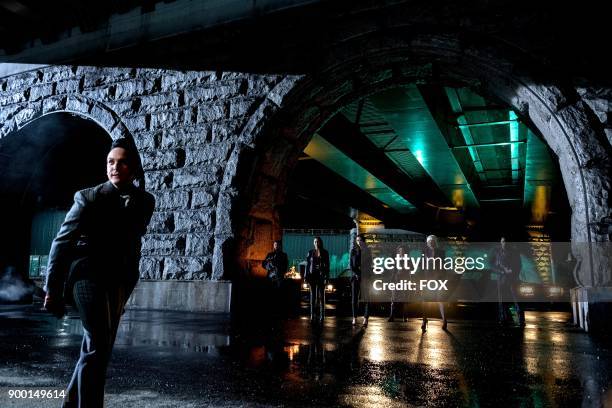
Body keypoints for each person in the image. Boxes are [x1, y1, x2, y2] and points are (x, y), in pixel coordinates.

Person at [43, 138, 155, 408]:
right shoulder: (88, 197)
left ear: (134, 167)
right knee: (98, 344)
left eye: (122, 161)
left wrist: (127, 285)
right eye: (110, 162)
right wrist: (52, 289)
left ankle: (71, 403)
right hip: (86, 276)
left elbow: (133, 244)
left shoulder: (145, 201)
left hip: (117, 281)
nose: (115, 167)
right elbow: (61, 242)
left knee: (97, 349)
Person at [494, 236, 526, 327]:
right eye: (503, 241)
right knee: (502, 300)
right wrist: (501, 271)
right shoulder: (498, 253)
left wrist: (513, 272)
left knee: (516, 300)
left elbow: (519, 265)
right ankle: (503, 318)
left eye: (505, 241)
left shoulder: (514, 252)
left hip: (512, 279)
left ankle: (521, 319)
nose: (504, 243)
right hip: (501, 279)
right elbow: (496, 265)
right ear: (501, 242)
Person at [421, 235, 447, 332]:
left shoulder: (441, 252)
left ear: (435, 242)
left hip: (438, 278)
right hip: (427, 278)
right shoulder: (424, 252)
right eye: (430, 241)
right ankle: (424, 320)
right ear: (427, 242)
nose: (431, 242)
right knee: (425, 300)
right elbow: (422, 265)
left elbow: (443, 266)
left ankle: (444, 320)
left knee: (441, 299)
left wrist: (442, 277)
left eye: (433, 241)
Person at [304, 236, 329, 324]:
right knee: (313, 297)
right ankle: (312, 315)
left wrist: (326, 277)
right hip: (312, 277)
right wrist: (305, 276)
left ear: (320, 242)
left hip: (321, 276)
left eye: (317, 241)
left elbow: (327, 266)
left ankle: (322, 316)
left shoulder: (325, 252)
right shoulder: (310, 252)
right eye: (315, 241)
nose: (316, 243)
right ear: (313, 243)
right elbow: (307, 265)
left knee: (321, 297)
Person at [349, 234, 371, 326]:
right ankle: (354, 317)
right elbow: (351, 265)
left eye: (361, 240)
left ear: (363, 241)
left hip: (365, 277)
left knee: (366, 299)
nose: (359, 242)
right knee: (354, 299)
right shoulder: (353, 251)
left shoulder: (367, 251)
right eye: (357, 240)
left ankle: (365, 318)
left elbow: (369, 264)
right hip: (355, 277)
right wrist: (357, 273)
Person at [388, 245, 408, 322]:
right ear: (398, 252)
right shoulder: (396, 260)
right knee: (393, 299)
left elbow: (411, 269)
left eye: (402, 251)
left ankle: (405, 317)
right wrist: (392, 280)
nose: (401, 252)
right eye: (400, 251)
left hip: (405, 281)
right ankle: (392, 316)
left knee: (405, 300)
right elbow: (393, 271)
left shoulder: (408, 259)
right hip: (396, 281)